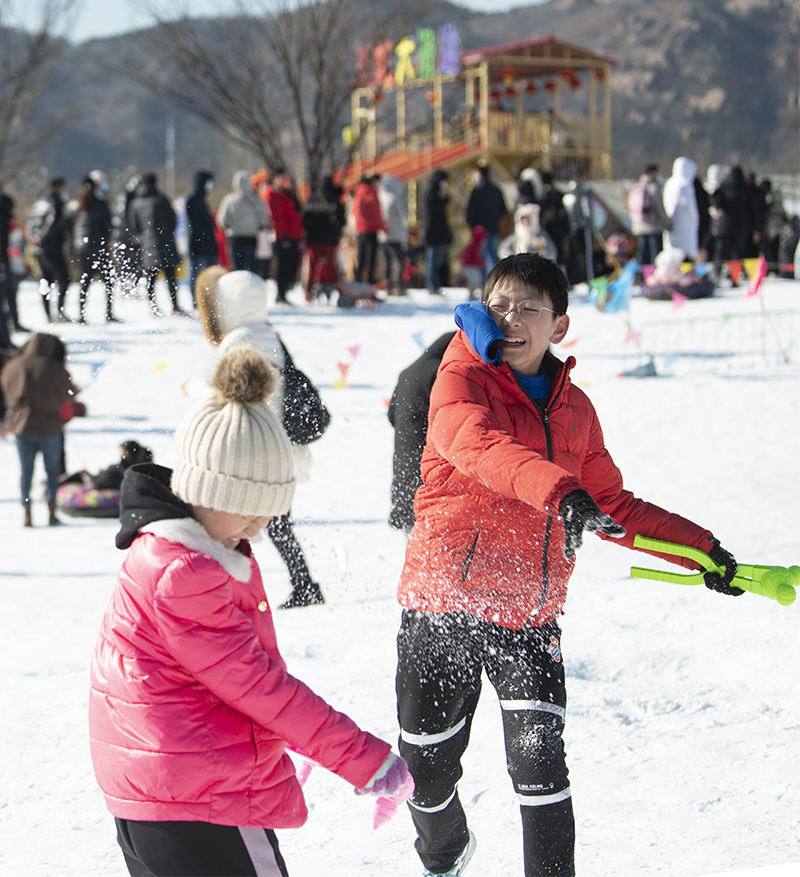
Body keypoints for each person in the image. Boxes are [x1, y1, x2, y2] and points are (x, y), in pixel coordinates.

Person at [394, 253, 742, 877]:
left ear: (559, 325)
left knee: (541, 769)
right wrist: (562, 493)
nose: (512, 317)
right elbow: (479, 447)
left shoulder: (574, 409)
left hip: (529, 614)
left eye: (530, 307)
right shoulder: (459, 378)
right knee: (425, 767)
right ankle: (442, 847)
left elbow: (611, 505)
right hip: (444, 602)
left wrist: (702, 551)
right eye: (501, 303)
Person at [88, 345, 410, 876]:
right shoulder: (184, 571)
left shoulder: (184, 549)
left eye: (271, 510)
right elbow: (256, 685)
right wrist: (363, 758)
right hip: (200, 797)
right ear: (209, 489)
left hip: (162, 787)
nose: (261, 526)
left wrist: (278, 739)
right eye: (252, 508)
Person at [196, 266, 327, 608]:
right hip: (275, 445)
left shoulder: (240, 343)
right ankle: (301, 584)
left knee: (236, 526)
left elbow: (237, 399)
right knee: (272, 525)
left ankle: (232, 594)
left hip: (253, 449)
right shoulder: (267, 335)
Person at [1, 332, 77, 526]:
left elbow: (6, 391)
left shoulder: (14, 365)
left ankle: (27, 513)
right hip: (49, 426)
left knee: (26, 472)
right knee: (52, 471)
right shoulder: (55, 368)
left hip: (21, 426)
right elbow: (67, 396)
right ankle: (52, 512)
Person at [387, 332, 456, 534]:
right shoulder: (440, 374)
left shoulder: (407, 372)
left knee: (414, 552)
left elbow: (392, 416)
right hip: (427, 475)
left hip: (403, 474)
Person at [72, 174, 118, 324]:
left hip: (81, 246)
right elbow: (107, 224)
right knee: (108, 279)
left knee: (85, 280)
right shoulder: (100, 203)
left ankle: (81, 314)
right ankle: (109, 313)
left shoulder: (78, 204)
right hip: (97, 244)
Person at [27, 177, 72, 322]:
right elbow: (54, 223)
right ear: (58, 187)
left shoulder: (40, 202)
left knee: (46, 280)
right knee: (63, 278)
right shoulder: (55, 203)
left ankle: (47, 313)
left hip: (39, 248)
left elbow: (31, 222)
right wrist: (42, 237)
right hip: (52, 246)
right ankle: (59, 311)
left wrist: (33, 237)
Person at [216, 170, 270, 274]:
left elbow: (222, 221)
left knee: (237, 270)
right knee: (251, 270)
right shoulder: (257, 201)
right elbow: (264, 220)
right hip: (251, 239)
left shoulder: (229, 200)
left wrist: (231, 227)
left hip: (234, 238)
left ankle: (237, 289)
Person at [264, 169, 305, 303]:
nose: (285, 181)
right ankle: (280, 293)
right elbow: (277, 216)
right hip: (283, 235)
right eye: (282, 178)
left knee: (291, 265)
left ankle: (285, 291)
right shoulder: (272, 194)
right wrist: (283, 234)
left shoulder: (289, 194)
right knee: (282, 265)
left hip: (294, 235)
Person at [302, 175, 345, 299]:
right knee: (332, 267)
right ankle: (340, 292)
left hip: (313, 239)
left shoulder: (312, 198)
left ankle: (308, 293)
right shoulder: (335, 199)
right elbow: (342, 219)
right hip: (329, 239)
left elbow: (305, 218)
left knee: (311, 267)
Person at [59, 439, 153, 491]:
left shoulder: (120, 468)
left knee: (82, 473)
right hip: (112, 483)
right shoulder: (138, 467)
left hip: (99, 484)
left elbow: (100, 481)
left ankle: (54, 486)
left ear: (126, 454)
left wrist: (101, 474)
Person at [466, 164, 508, 272]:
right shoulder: (497, 191)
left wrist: (471, 225)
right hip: (494, 228)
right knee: (493, 256)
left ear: (479, 174)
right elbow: (503, 211)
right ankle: (496, 281)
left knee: (482, 258)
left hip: (480, 231)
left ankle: (487, 283)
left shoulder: (477, 191)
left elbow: (471, 212)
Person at [184, 170, 218, 304]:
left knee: (210, 274)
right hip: (197, 244)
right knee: (196, 274)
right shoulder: (193, 200)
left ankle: (209, 299)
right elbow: (195, 224)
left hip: (207, 244)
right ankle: (196, 299)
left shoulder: (201, 200)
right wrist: (205, 236)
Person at [627, 164, 671, 266]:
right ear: (653, 172)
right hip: (653, 227)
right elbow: (660, 208)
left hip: (638, 226)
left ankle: (641, 277)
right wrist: (667, 223)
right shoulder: (653, 187)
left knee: (643, 254)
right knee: (656, 255)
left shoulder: (636, 186)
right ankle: (653, 277)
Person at [351, 175, 386, 285]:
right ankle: (370, 282)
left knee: (360, 257)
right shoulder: (371, 193)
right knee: (371, 259)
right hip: (371, 230)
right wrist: (383, 227)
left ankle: (357, 280)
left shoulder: (357, 193)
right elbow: (376, 213)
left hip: (360, 230)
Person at [662, 157, 700, 262]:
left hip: (671, 224)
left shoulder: (669, 183)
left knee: (672, 256)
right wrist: (696, 219)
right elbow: (690, 208)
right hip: (685, 226)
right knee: (685, 256)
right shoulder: (685, 184)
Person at [421, 169, 452, 294]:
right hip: (434, 231)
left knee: (434, 258)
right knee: (434, 259)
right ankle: (432, 285)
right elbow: (437, 208)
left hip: (433, 231)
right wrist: (446, 200)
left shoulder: (427, 188)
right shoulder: (431, 190)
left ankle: (433, 284)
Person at [377, 174, 408, 294]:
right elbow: (403, 216)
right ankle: (399, 287)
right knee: (399, 262)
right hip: (395, 235)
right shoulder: (394, 198)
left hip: (382, 235)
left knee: (386, 263)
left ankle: (386, 285)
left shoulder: (379, 197)